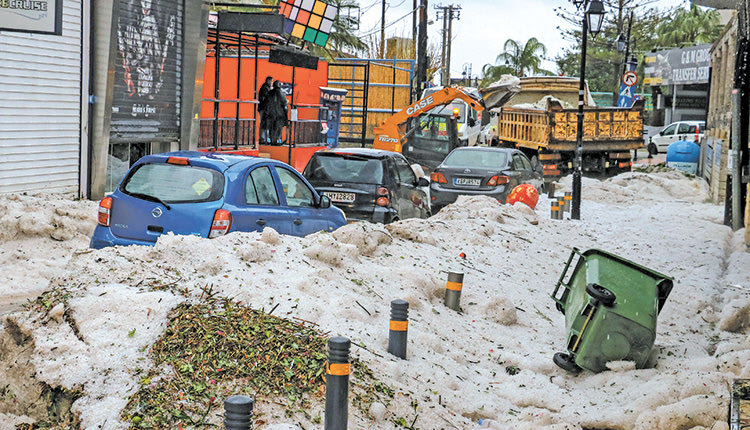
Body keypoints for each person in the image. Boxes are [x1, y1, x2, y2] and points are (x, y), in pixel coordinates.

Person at [266, 80, 289, 145]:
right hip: (279, 114)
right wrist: (286, 114)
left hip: (270, 113)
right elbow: (284, 105)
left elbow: (266, 103)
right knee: (278, 128)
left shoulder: (269, 93)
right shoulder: (281, 94)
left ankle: (271, 140)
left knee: (271, 128)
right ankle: (276, 140)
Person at [257, 76, 273, 145]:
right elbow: (266, 99)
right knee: (264, 124)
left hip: (263, 108)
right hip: (264, 109)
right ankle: (263, 139)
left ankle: (264, 138)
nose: (272, 83)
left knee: (264, 124)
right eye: (271, 81)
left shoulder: (265, 87)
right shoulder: (266, 88)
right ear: (268, 81)